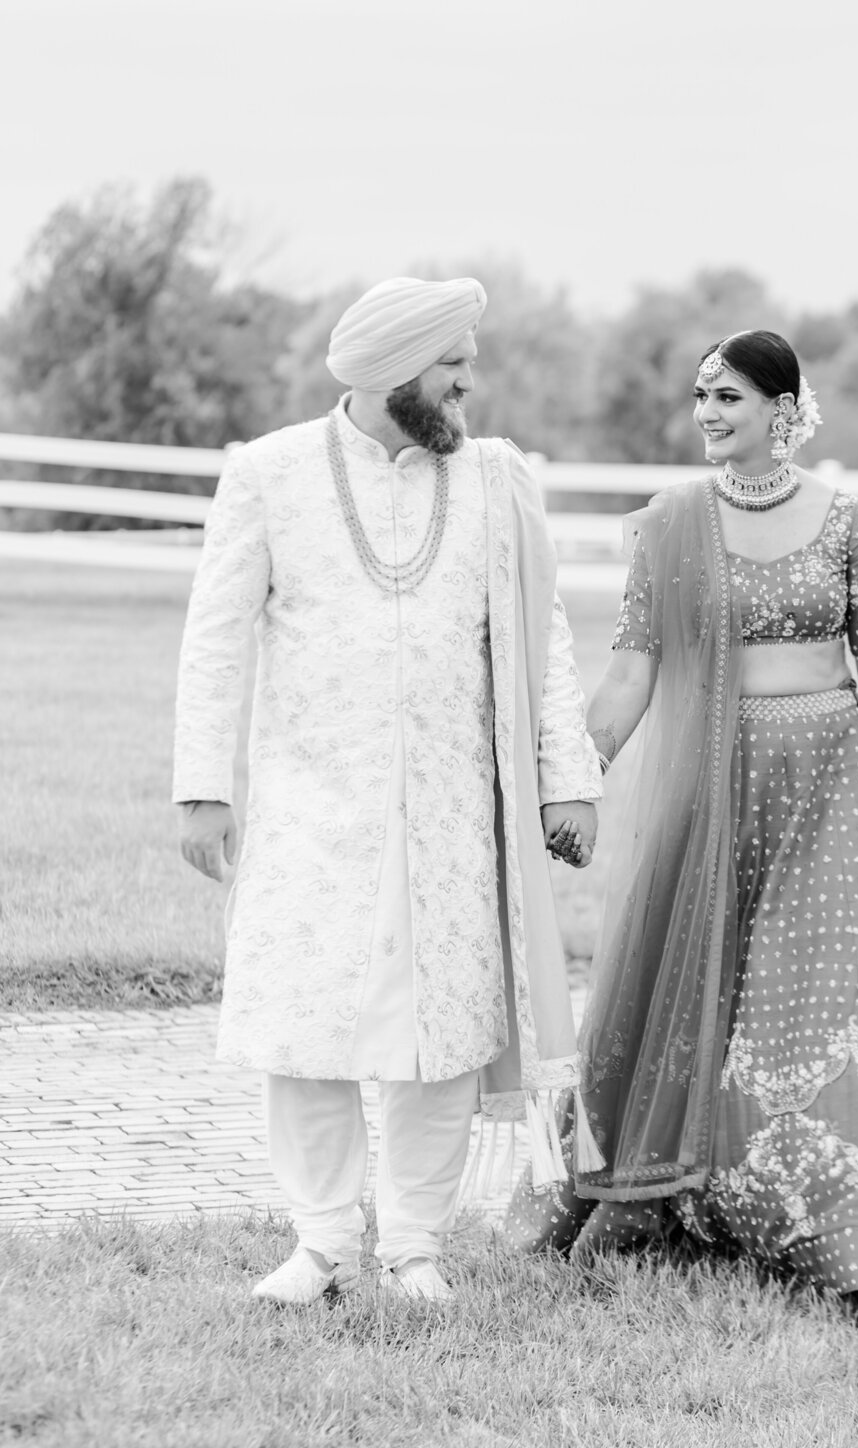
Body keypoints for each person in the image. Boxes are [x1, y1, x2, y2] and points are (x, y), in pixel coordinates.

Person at [506, 329, 858, 1298]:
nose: (707, 414)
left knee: (855, 999)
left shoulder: (846, 523)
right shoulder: (670, 525)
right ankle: (691, 1191)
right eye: (701, 396)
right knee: (706, 993)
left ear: (784, 411)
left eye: (729, 398)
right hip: (712, 799)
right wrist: (569, 773)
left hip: (832, 791)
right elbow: (630, 677)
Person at [175, 275, 601, 1307]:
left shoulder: (497, 480)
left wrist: (565, 776)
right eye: (454, 361)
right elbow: (217, 632)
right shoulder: (270, 473)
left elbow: (542, 642)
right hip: (312, 800)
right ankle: (319, 1245)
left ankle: (415, 1249)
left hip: (455, 810)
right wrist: (201, 784)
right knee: (303, 1023)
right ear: (391, 369)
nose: (470, 380)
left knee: (442, 1035)